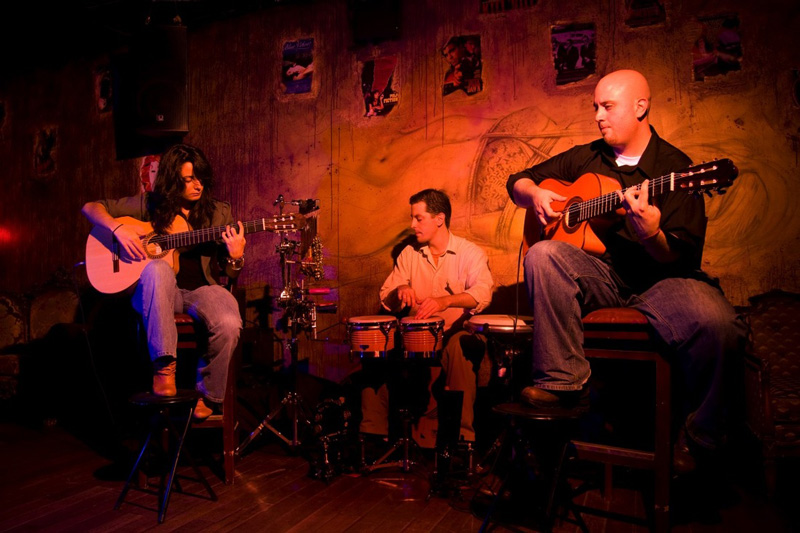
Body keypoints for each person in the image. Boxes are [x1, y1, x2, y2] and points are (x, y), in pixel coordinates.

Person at [506, 69, 746, 473]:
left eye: (607, 106)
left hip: (662, 281)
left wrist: (651, 234)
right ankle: (563, 383)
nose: (598, 116)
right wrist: (535, 194)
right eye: (595, 107)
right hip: (603, 277)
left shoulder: (676, 168)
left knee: (719, 323)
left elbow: (681, 256)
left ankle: (701, 436)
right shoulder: (587, 156)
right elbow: (517, 181)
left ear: (640, 107)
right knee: (543, 254)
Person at [82, 144, 245, 420]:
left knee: (229, 322)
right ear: (172, 179)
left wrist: (236, 257)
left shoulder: (218, 213)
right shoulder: (149, 204)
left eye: (200, 178)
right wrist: (118, 229)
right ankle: (164, 368)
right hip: (156, 291)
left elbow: (230, 275)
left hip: (200, 291)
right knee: (158, 268)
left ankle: (208, 395)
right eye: (188, 179)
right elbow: (90, 208)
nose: (197, 185)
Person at [362, 189, 494, 444]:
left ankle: (460, 439)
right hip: (414, 338)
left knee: (461, 347)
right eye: (413, 218)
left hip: (452, 335)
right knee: (375, 343)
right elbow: (386, 295)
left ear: (439, 219)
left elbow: (482, 293)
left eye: (419, 218)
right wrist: (401, 289)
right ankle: (373, 436)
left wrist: (445, 301)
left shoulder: (469, 253)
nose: (413, 225)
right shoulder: (409, 254)